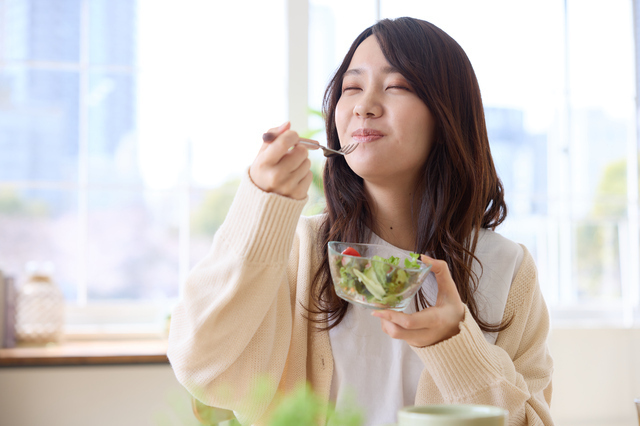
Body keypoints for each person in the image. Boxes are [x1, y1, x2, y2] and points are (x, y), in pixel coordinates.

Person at [167, 17, 554, 426]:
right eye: (351, 88)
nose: (363, 106)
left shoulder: (508, 270)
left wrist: (454, 344)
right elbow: (200, 363)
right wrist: (262, 208)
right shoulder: (300, 250)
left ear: (446, 118)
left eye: (396, 86)